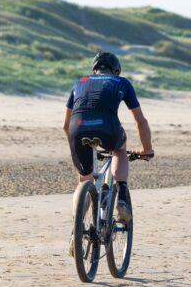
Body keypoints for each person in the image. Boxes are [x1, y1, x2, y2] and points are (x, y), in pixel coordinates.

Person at [64, 52, 154, 225]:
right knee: (119, 149)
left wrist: (78, 146)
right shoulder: (122, 82)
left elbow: (65, 125)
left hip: (77, 129)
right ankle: (121, 195)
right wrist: (146, 149)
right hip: (107, 128)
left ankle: (77, 228)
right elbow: (140, 121)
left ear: (94, 69)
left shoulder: (80, 82)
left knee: (85, 179)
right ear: (117, 71)